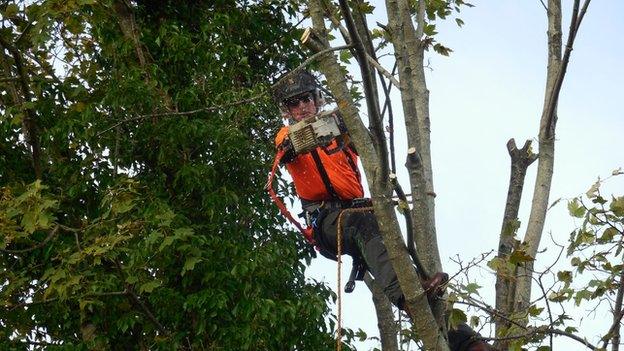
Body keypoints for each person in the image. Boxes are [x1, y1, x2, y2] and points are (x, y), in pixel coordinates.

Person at [271, 70, 493, 351]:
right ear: (287, 111)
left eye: (307, 99)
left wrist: (355, 124)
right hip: (327, 220)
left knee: (401, 259)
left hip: (361, 212)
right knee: (367, 227)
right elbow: (296, 142)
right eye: (294, 103)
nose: (302, 107)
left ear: (317, 98)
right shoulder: (286, 137)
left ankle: (468, 342)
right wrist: (340, 118)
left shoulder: (341, 135)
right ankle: (406, 295)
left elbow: (372, 144)